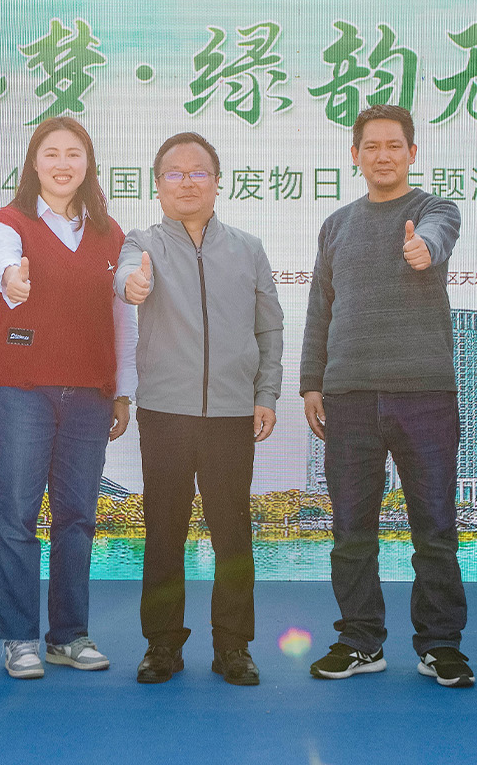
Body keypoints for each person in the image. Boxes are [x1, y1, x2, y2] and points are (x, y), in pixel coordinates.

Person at [301, 103, 472, 689]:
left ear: (412, 153)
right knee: (351, 531)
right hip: (347, 396)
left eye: (394, 145)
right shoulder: (336, 225)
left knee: (435, 530)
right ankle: (359, 640)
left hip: (424, 394)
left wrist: (424, 248)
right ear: (355, 155)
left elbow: (438, 238)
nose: (382, 155)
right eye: (371, 146)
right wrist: (311, 382)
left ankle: (440, 645)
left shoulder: (434, 210)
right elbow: (320, 308)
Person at [116, 132, 282, 687]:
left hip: (232, 414)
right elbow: (124, 279)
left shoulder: (248, 248)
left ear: (217, 182)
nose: (186, 182)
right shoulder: (142, 243)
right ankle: (162, 644)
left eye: (198, 172)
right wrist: (133, 283)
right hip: (165, 412)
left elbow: (269, 328)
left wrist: (266, 394)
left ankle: (233, 646)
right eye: (174, 173)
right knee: (164, 531)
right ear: (157, 185)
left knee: (232, 533)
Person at [0, 117, 135, 679]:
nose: (63, 163)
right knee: (17, 516)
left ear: (88, 163)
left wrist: (123, 391)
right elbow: (0, 259)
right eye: (51, 153)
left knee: (77, 517)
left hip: (90, 393)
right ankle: (19, 637)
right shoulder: (12, 221)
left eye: (74, 153)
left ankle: (68, 636)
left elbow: (123, 316)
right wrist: (11, 278)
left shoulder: (109, 233)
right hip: (22, 389)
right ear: (34, 163)